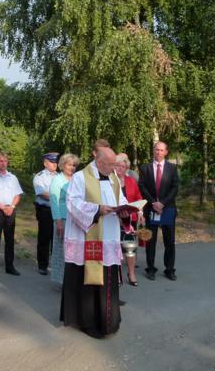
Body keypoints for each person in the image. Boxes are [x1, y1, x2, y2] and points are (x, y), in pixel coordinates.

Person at [61, 140, 131, 338]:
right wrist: (97, 209)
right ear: (99, 162)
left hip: (109, 235)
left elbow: (120, 200)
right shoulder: (80, 177)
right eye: (111, 164)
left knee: (108, 277)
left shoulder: (113, 177)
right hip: (88, 237)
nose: (115, 167)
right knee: (89, 281)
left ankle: (109, 321)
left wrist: (126, 209)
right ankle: (89, 322)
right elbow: (72, 203)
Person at [138, 141, 179, 281]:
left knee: (169, 241)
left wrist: (162, 203)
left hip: (168, 209)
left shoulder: (172, 168)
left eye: (161, 150)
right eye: (156, 149)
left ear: (166, 152)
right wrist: (153, 203)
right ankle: (150, 269)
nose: (159, 152)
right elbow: (142, 186)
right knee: (151, 240)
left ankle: (169, 269)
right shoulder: (145, 168)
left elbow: (175, 187)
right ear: (153, 151)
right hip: (151, 208)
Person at [0, 151, 24, 277]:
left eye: (5, 161)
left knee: (10, 240)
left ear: (7, 162)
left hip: (11, 210)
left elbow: (17, 195)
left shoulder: (13, 178)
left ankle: (10, 267)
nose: (3, 163)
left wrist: (12, 207)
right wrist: (3, 207)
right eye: (0, 161)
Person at [49, 153, 80, 286]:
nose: (72, 167)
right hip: (62, 219)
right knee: (61, 250)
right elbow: (54, 201)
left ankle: (72, 279)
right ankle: (61, 280)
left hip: (75, 220)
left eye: (74, 165)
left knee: (73, 251)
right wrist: (58, 221)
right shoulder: (57, 180)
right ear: (63, 165)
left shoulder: (77, 179)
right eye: (69, 164)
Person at [115, 154, 144, 286]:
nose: (120, 168)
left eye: (123, 166)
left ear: (126, 168)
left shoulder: (131, 181)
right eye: (118, 166)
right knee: (116, 247)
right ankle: (117, 274)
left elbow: (138, 197)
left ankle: (131, 273)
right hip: (114, 220)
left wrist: (140, 212)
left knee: (130, 247)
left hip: (130, 220)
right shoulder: (109, 181)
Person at [32, 152, 59, 275]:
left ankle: (56, 265)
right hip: (45, 210)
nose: (55, 164)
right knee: (44, 238)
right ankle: (42, 265)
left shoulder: (60, 176)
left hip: (58, 211)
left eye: (56, 162)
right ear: (45, 163)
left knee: (57, 238)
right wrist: (59, 197)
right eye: (52, 162)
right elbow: (42, 193)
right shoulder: (40, 177)